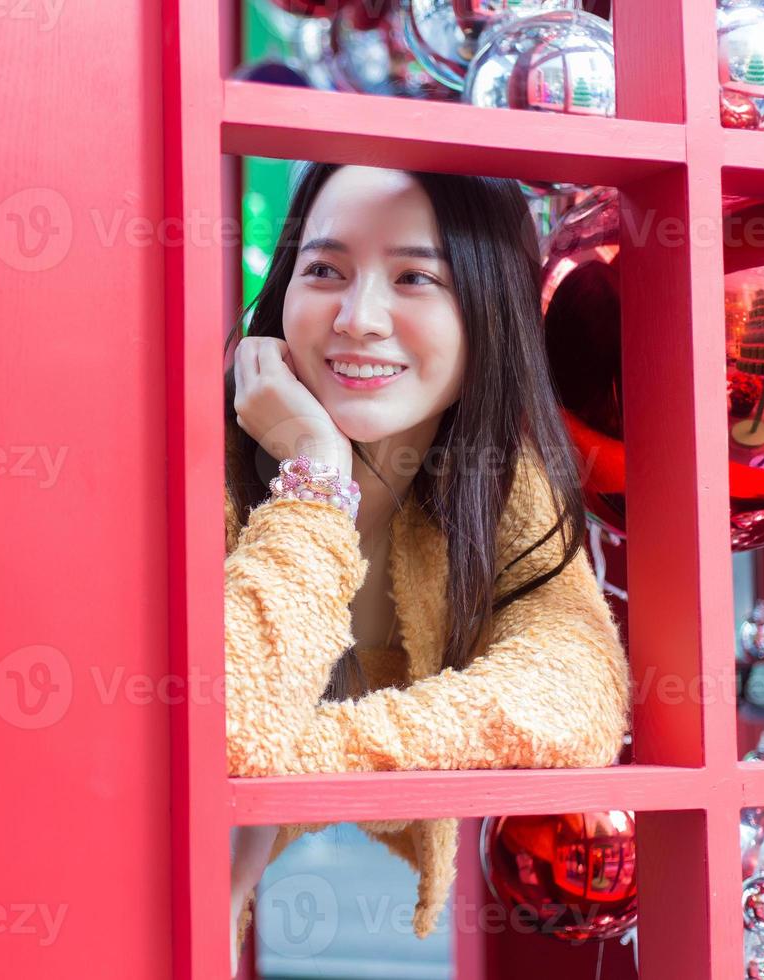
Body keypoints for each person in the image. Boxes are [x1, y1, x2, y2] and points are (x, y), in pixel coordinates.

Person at [223, 163, 631, 976]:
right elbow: (224, 721)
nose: (358, 318)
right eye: (325, 270)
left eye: (415, 277)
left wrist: (306, 751)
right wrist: (314, 475)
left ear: (489, 311)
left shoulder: (492, 479)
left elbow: (574, 695)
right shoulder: (190, 468)